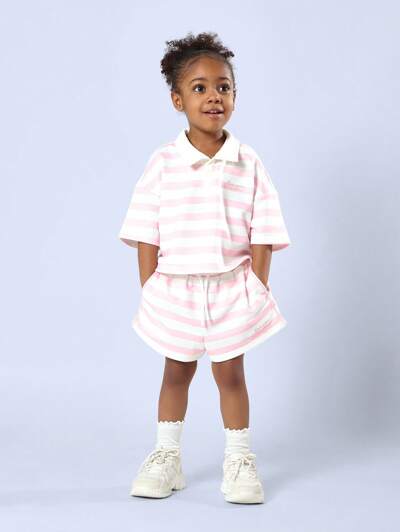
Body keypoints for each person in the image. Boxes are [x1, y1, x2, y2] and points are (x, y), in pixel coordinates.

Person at [118, 31, 291, 504]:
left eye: (224, 87)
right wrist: (151, 288)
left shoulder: (247, 162)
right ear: (178, 100)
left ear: (234, 96)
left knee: (230, 374)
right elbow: (146, 230)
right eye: (200, 87)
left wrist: (257, 287)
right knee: (176, 372)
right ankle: (166, 455)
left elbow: (262, 228)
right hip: (176, 289)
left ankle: (239, 459)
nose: (214, 96)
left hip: (232, 288)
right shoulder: (163, 162)